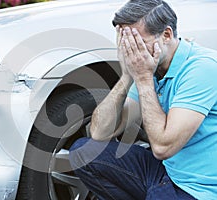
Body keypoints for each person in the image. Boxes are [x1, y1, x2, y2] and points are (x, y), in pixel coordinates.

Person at [69, 0, 217, 199]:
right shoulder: (152, 66)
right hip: (166, 172)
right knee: (84, 152)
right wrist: (127, 76)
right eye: (126, 43)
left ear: (166, 35)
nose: (132, 52)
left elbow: (163, 148)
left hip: (201, 188)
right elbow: (100, 133)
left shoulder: (202, 69)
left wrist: (144, 78)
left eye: (137, 42)